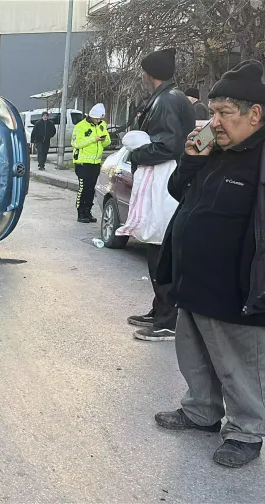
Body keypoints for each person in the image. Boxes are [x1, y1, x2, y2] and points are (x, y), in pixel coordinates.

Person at [153, 60, 265, 469]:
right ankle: (201, 411)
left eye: (224, 113)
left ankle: (246, 431)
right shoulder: (214, 150)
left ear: (255, 114)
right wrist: (191, 158)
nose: (213, 122)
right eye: (212, 112)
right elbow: (178, 190)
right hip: (194, 279)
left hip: (237, 288)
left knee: (240, 364)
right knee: (194, 353)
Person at [126, 48, 195, 342]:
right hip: (165, 176)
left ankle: (168, 320)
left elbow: (168, 146)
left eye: (144, 70)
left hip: (164, 178)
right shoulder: (169, 97)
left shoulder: (166, 100)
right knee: (158, 247)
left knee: (161, 248)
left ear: (149, 72)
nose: (142, 75)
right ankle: (161, 310)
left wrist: (135, 152)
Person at [71, 103, 111, 223]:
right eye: (96, 119)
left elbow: (107, 142)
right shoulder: (80, 126)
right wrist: (93, 139)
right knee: (83, 188)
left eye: (100, 119)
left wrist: (104, 139)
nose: (98, 121)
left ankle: (88, 212)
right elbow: (76, 143)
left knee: (91, 189)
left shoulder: (102, 125)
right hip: (82, 162)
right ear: (91, 116)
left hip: (96, 162)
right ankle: (81, 212)